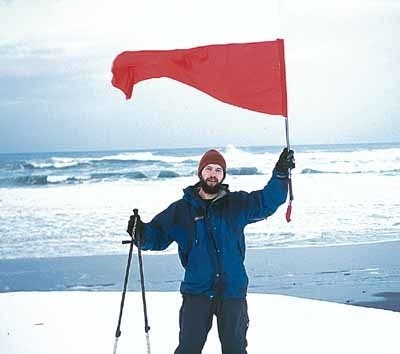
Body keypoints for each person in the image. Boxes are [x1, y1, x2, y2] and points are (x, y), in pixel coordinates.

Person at [127, 148, 295, 354]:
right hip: (197, 291)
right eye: (208, 169)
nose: (213, 174)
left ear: (223, 175)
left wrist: (280, 174)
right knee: (188, 349)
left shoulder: (237, 204)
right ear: (200, 173)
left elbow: (267, 201)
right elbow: (158, 236)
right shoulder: (181, 210)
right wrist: (141, 232)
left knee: (235, 349)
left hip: (232, 291)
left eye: (218, 170)